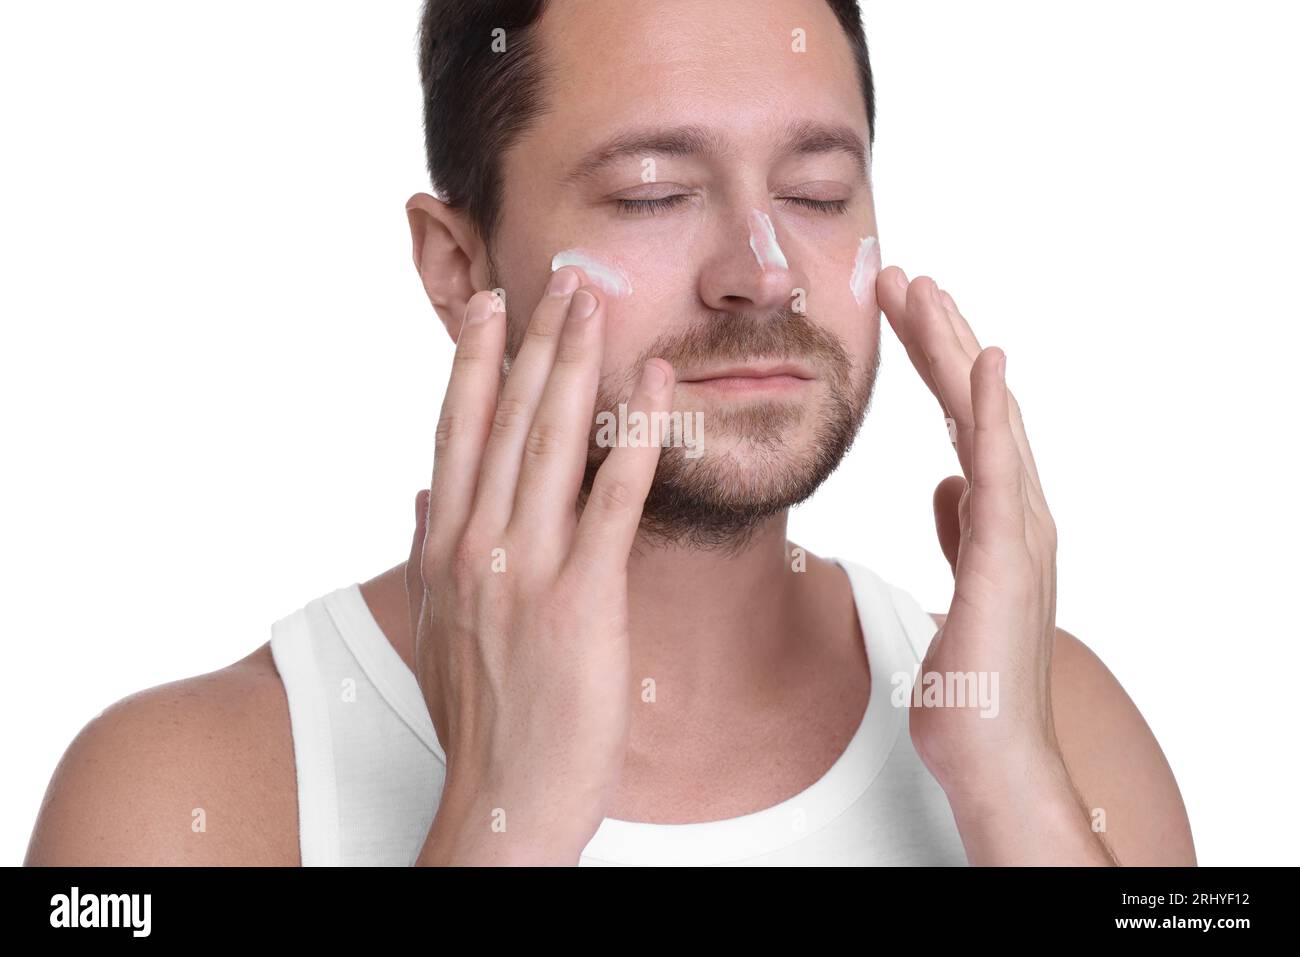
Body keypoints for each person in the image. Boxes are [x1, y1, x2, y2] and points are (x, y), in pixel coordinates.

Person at [25, 0, 1195, 867]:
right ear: (458, 266)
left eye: (818, 192)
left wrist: (1010, 792)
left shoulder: (1058, 727)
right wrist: (503, 825)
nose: (764, 274)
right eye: (651, 193)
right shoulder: (175, 797)